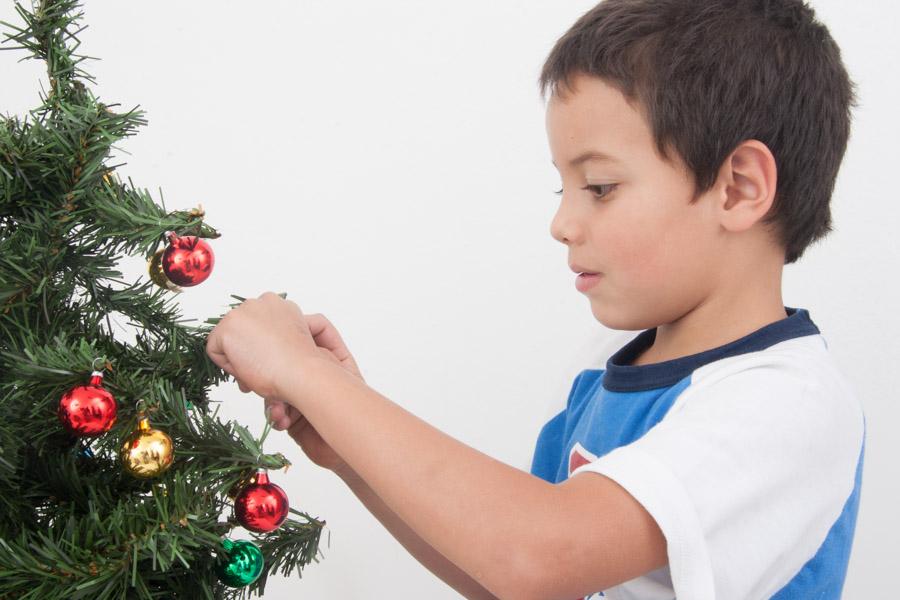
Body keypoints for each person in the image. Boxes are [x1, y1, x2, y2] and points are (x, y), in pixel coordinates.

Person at [204, 0, 866, 598]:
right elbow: (519, 579)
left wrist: (307, 373)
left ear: (739, 189)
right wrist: (351, 450)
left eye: (600, 186)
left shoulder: (786, 403)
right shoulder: (602, 367)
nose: (563, 224)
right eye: (563, 189)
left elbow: (536, 555)